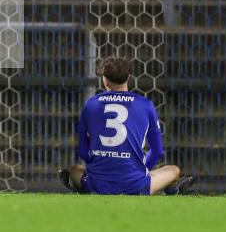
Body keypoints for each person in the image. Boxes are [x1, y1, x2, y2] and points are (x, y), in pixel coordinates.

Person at [60, 57, 195, 196]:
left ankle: (83, 188)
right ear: (129, 77)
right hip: (135, 185)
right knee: (174, 171)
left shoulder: (90, 104)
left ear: (104, 79)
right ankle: (173, 191)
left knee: (74, 170)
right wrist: (142, 171)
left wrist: (99, 167)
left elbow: (83, 151)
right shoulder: (145, 105)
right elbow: (157, 151)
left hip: (97, 183)